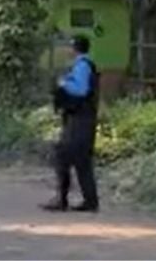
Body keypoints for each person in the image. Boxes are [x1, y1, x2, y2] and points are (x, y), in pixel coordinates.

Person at [41, 35, 100, 213]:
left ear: (74, 49)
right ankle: (90, 201)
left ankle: (62, 199)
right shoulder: (85, 65)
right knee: (82, 161)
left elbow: (80, 90)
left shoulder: (82, 66)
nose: (67, 50)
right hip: (84, 119)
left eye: (69, 47)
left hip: (79, 119)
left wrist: (63, 83)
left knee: (63, 155)